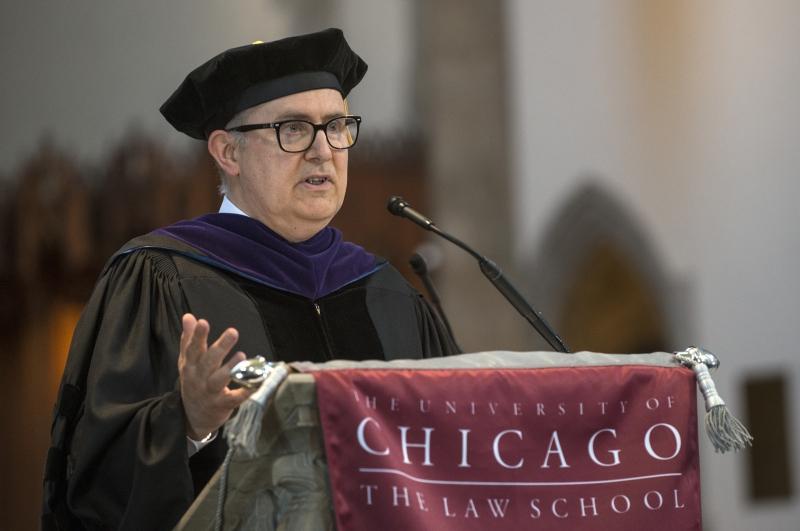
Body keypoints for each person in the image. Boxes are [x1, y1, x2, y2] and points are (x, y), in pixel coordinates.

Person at [42, 28, 457, 530]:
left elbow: (454, 464)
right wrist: (188, 424)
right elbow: (95, 485)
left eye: (337, 126)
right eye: (294, 129)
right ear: (227, 153)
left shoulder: (388, 293)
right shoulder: (159, 278)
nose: (324, 151)